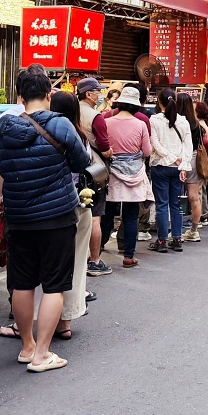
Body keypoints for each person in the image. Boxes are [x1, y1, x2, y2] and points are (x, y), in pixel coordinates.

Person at [0, 70, 89, 372]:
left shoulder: (4, 129)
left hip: (19, 216)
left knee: (22, 283)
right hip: (56, 216)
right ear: (49, 94)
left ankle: (27, 346)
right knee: (54, 285)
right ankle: (43, 354)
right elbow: (81, 161)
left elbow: (4, 168)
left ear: (20, 97)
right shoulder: (59, 123)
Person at [48, 90, 94, 341]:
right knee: (76, 265)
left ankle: (43, 319)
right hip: (81, 204)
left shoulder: (45, 133)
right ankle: (66, 320)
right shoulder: (81, 136)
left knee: (49, 265)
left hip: (53, 207)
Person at [98, 85, 153, 267]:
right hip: (135, 174)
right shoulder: (141, 125)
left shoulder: (107, 123)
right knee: (130, 217)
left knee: (106, 215)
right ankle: (129, 256)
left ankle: (96, 253)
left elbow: (101, 148)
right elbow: (147, 151)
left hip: (112, 173)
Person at [76, 77, 112, 276]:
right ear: (88, 94)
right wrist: (110, 153)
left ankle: (78, 259)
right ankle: (95, 260)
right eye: (97, 91)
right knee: (94, 216)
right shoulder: (95, 116)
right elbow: (105, 147)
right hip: (93, 171)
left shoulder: (70, 112)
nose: (100, 95)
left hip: (73, 170)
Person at [148, 89, 189, 253]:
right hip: (178, 169)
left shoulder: (154, 120)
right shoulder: (184, 121)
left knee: (162, 205)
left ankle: (162, 240)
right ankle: (177, 238)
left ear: (159, 102)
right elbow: (188, 146)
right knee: (177, 205)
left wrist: (172, 158)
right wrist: (182, 164)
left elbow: (156, 146)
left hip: (160, 167)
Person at [177, 95, 208, 241]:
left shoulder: (175, 122)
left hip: (176, 159)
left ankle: (174, 232)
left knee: (174, 197)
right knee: (194, 197)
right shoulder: (197, 124)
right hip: (193, 159)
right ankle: (194, 230)